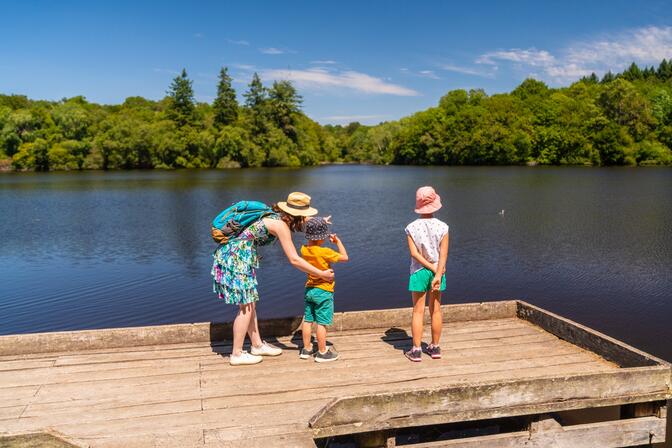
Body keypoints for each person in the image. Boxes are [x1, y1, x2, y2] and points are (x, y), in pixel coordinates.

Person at [211, 192, 335, 366]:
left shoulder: (276, 215)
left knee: (250, 303)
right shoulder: (280, 226)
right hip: (236, 260)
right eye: (305, 216)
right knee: (246, 307)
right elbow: (294, 259)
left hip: (237, 256)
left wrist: (320, 221)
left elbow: (301, 221)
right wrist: (320, 273)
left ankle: (257, 345)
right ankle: (237, 354)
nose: (306, 220)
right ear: (297, 216)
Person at [404, 186, 449, 362]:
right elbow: (443, 254)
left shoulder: (411, 227)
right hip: (438, 271)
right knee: (436, 310)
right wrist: (437, 272)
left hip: (418, 271)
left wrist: (429, 267)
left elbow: (414, 254)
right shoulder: (443, 227)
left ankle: (416, 350)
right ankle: (435, 347)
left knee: (417, 311)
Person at [299, 217, 348, 362]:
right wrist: (338, 242)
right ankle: (322, 352)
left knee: (307, 320)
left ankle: (306, 349)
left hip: (309, 290)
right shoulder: (325, 252)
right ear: (322, 238)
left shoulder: (304, 250)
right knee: (322, 323)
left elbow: (312, 234)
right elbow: (345, 257)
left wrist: (321, 223)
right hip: (324, 291)